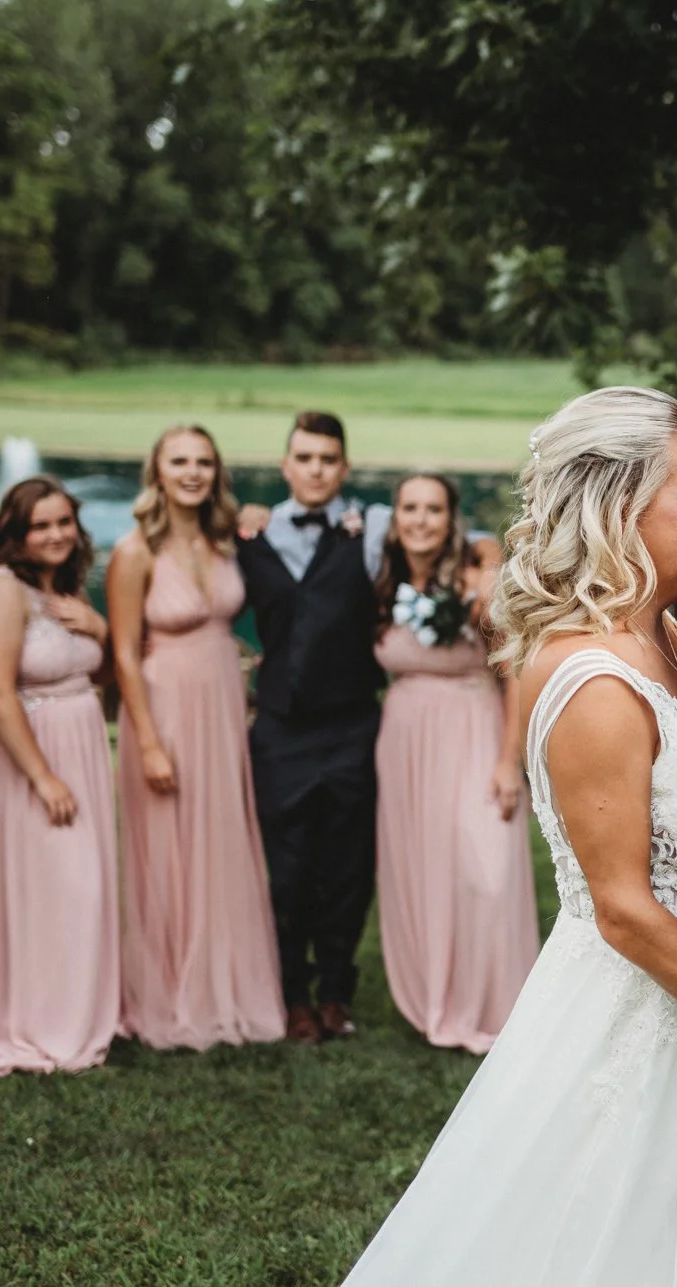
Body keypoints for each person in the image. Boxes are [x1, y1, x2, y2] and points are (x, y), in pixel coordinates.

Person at [342, 387, 677, 1286]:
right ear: (621, 508)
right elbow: (621, 907)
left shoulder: (667, 636)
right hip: (644, 1016)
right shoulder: (593, 682)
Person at [108, 425, 284, 1050]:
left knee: (220, 842)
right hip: (165, 708)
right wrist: (150, 742)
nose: (192, 472)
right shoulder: (133, 552)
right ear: (156, 472)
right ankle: (167, 995)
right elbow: (124, 655)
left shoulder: (226, 542)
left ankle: (223, 991)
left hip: (221, 705)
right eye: (179, 461)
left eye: (204, 462)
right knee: (168, 850)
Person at [0, 477, 119, 1074]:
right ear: (14, 532)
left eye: (64, 522)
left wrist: (101, 632)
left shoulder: (61, 590)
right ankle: (28, 1023)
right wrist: (43, 777)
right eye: (40, 525)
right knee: (55, 887)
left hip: (80, 751)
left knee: (69, 892)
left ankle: (65, 1016)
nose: (56, 534)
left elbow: (96, 676)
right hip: (25, 759)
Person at [234, 411, 386, 1044]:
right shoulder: (251, 535)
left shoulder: (373, 528)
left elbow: (458, 540)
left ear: (343, 468)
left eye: (328, 459)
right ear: (286, 466)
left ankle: (336, 994)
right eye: (305, 458)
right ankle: (292, 994)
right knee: (289, 868)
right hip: (278, 731)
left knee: (348, 869)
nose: (317, 469)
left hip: (352, 726)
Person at [370, 472, 537, 1053]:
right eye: (409, 507)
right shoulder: (382, 579)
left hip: (472, 730)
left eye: (432, 509)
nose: (420, 519)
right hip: (406, 738)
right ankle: (430, 992)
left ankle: (494, 1004)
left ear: (450, 518)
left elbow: (513, 668)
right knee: (422, 866)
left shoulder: (476, 578)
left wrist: (506, 760)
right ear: (395, 517)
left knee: (486, 869)